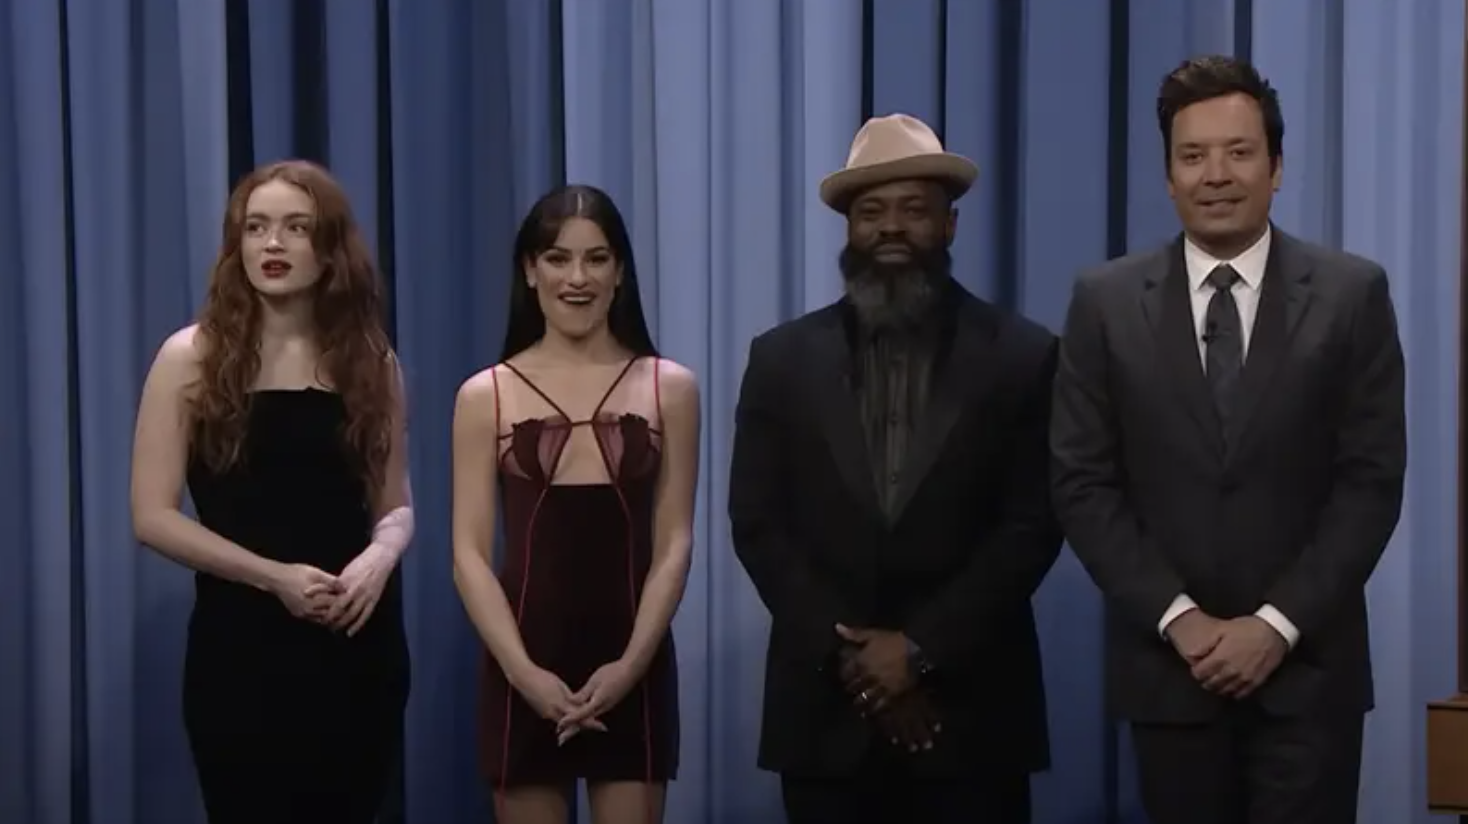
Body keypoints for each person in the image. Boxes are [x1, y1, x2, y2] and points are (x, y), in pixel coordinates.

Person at [1051, 56, 1407, 824]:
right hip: (1170, 673)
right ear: (1169, 174)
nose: (1216, 174)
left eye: (1239, 152)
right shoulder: (1104, 303)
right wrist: (1183, 622)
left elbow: (1370, 482)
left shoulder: (1353, 295)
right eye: (1193, 155)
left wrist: (1273, 627)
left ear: (1276, 168)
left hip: (1310, 675)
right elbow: (1082, 483)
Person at [727, 113, 1063, 824]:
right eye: (871, 212)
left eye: (914, 209)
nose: (891, 228)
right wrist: (854, 660)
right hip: (824, 717)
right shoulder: (781, 359)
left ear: (950, 226)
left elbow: (1032, 525)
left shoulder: (1023, 356)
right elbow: (757, 522)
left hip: (971, 717)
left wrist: (919, 649)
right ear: (848, 229)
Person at [129, 160, 412, 823]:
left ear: (330, 248)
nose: (273, 244)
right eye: (256, 228)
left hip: (356, 648)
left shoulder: (372, 363)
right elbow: (152, 516)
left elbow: (395, 504)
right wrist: (272, 577)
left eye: (295, 228)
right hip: (242, 652)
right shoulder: (189, 358)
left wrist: (380, 558)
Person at [451, 184, 699, 824]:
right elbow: (469, 556)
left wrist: (630, 665)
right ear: (530, 272)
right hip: (522, 661)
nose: (577, 277)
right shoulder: (486, 395)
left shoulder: (670, 387)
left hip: (632, 659)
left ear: (620, 273)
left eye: (596, 259)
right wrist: (523, 674)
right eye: (558, 259)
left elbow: (675, 542)